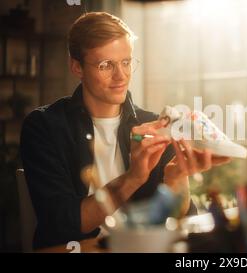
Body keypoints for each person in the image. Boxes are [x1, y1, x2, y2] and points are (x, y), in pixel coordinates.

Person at [20, 11, 230, 249]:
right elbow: (63, 223)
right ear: (77, 67)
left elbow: (177, 217)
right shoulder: (44, 126)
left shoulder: (154, 125)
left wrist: (177, 177)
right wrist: (133, 178)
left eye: (126, 62)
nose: (121, 76)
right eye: (105, 65)